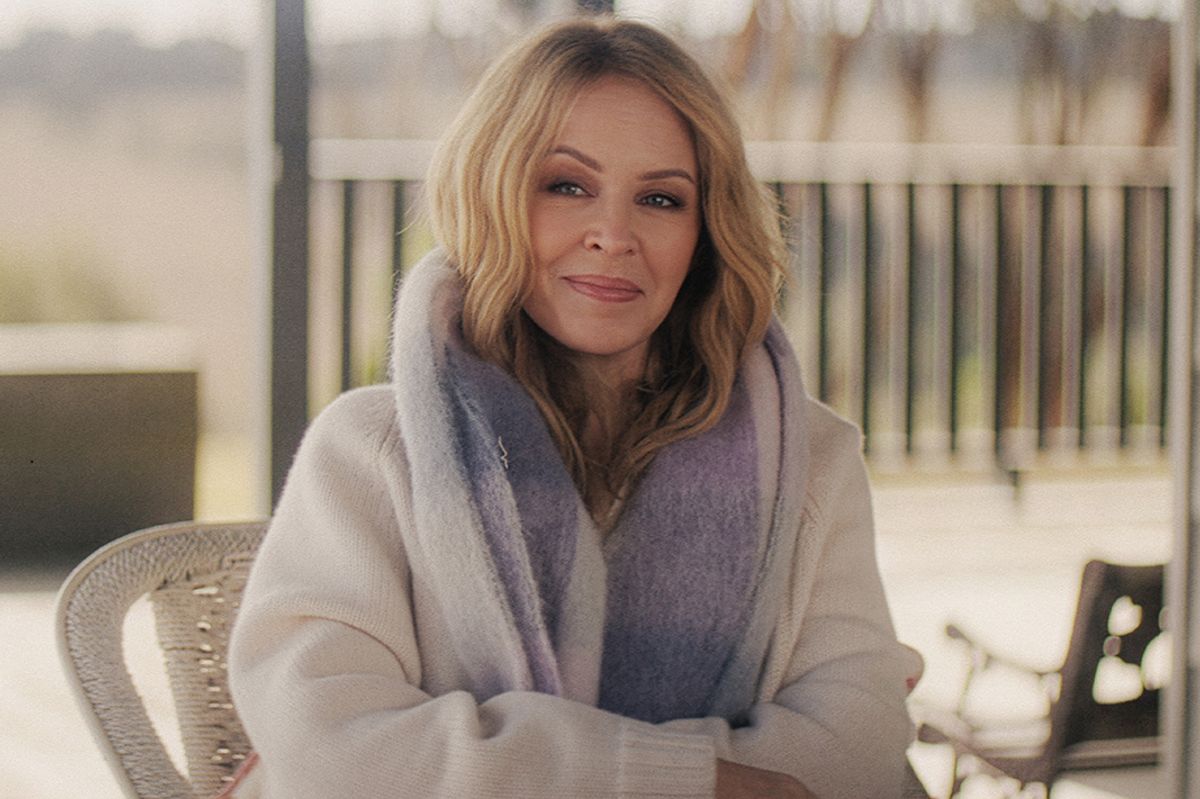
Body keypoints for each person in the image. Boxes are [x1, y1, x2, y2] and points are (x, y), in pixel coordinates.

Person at [227, 15, 922, 799]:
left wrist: (487, 763)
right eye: (567, 185)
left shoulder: (813, 460)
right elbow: (334, 751)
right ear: (493, 194)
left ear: (705, 230)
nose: (613, 234)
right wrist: (687, 777)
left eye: (660, 198)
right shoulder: (371, 451)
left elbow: (856, 754)